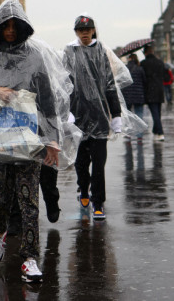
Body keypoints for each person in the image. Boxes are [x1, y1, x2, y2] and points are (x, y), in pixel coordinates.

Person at [0, 0, 68, 284]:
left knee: (28, 200)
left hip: (29, 139)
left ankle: (30, 257)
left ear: (22, 26)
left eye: (15, 26)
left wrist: (52, 140)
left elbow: (47, 102)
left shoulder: (35, 58)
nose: (10, 31)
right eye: (5, 26)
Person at [62, 15, 122, 221]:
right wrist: (67, 112)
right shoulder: (70, 51)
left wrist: (116, 115)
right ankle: (83, 190)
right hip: (78, 116)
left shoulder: (101, 51)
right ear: (76, 32)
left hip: (99, 117)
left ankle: (98, 202)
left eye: (87, 30)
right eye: (80, 30)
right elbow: (65, 84)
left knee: (98, 164)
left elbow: (110, 84)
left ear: (93, 30)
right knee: (80, 162)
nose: (84, 33)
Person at [141, 44, 166, 142]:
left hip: (150, 90)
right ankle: (155, 131)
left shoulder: (143, 63)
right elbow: (163, 75)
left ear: (146, 52)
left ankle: (160, 133)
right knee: (158, 112)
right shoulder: (160, 62)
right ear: (153, 51)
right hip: (159, 90)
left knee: (155, 113)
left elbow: (143, 78)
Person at [122, 53, 146, 140]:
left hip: (127, 95)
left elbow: (122, 81)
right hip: (138, 94)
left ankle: (128, 133)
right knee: (139, 114)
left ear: (129, 59)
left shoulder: (125, 68)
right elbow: (144, 81)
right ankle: (139, 135)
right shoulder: (140, 69)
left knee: (128, 115)